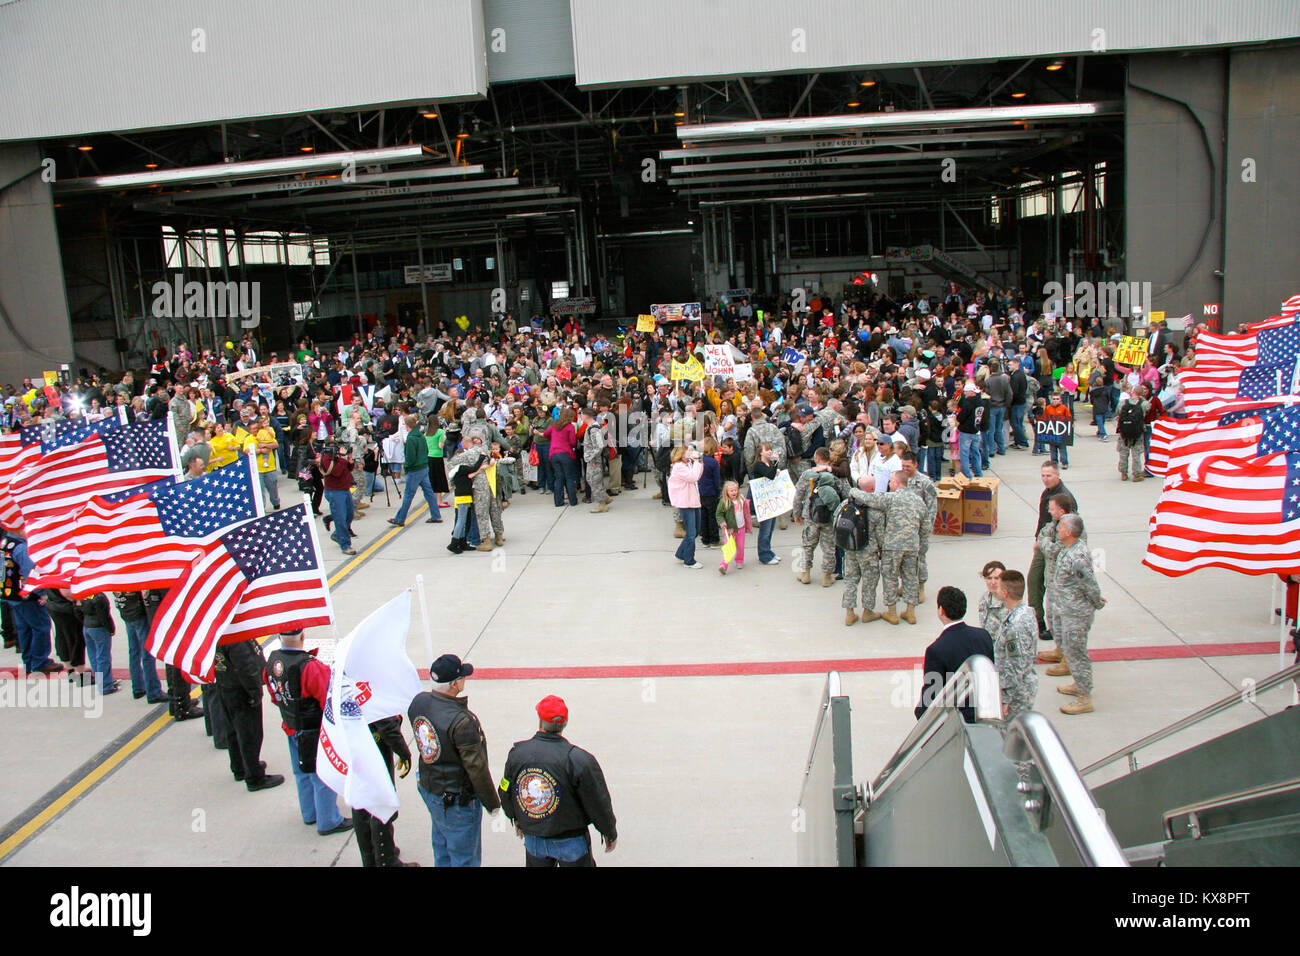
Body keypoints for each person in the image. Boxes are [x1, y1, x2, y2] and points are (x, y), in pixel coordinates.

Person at [500, 695, 618, 867]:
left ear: (540, 721)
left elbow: (505, 789)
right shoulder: (579, 760)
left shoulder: (517, 755)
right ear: (565, 723)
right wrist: (608, 831)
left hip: (535, 837)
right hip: (571, 841)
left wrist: (515, 817)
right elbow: (598, 801)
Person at [408, 654, 501, 867]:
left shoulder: (419, 702)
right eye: (462, 677)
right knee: (464, 858)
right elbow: (476, 768)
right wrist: (492, 804)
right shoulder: (462, 721)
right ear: (454, 684)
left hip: (430, 788)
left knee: (442, 847)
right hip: (456, 800)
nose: (464, 680)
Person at [264, 628, 351, 835]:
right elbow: (327, 699)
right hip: (313, 729)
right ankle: (328, 819)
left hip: (291, 724)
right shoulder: (310, 667)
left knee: (301, 771)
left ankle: (310, 812)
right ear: (303, 637)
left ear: (279, 638)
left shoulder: (272, 662)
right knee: (321, 774)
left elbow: (273, 693)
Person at [849, 470, 926, 625]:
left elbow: (868, 498)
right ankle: (910, 612)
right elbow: (926, 525)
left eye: (891, 481)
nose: (889, 484)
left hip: (892, 545)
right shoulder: (919, 501)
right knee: (910, 577)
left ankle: (892, 613)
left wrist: (852, 490)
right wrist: (919, 540)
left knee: (890, 577)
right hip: (912, 545)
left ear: (897, 483)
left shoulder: (890, 498)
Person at [1052, 514, 1106, 715]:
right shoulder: (1069, 550)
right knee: (1070, 649)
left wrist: (1097, 602)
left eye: (1061, 527)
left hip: (1077, 613)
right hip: (1068, 610)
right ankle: (1078, 683)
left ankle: (1085, 697)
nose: (1058, 529)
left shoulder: (1077, 555)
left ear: (1070, 532)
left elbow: (1089, 584)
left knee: (1077, 652)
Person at [214, 636, 284, 791]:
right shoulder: (236, 637)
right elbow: (245, 666)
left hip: (225, 684)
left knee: (232, 729)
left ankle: (239, 767)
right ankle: (255, 776)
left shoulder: (219, 632)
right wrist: (255, 692)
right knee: (250, 734)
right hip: (241, 691)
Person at [914, 586, 995, 722]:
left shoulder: (936, 649)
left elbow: (932, 693)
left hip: (958, 720)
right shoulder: (983, 635)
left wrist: (920, 712)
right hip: (986, 711)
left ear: (941, 610)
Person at [357, 716, 417, 866]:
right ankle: (386, 860)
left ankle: (371, 856)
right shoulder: (373, 692)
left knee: (361, 802)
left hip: (356, 739)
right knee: (381, 803)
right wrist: (403, 750)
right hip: (373, 745)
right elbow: (384, 720)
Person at [1028, 461, 1074, 651]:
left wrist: (1043, 542)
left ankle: (1055, 633)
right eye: (1043, 475)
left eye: (1049, 475)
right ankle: (1038, 620)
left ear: (1058, 476)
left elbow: (1067, 529)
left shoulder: (1064, 498)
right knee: (1034, 579)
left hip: (1053, 548)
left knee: (1048, 586)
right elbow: (1043, 520)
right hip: (1044, 542)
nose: (1045, 479)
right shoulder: (1047, 493)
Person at [1, 530, 60, 676]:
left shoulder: (5, 543)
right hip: (27, 595)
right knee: (40, 626)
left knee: (24, 628)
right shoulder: (21, 548)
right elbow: (30, 573)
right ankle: (40, 662)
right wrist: (42, 593)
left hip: (11, 593)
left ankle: (28, 661)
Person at [793, 447, 848, 588]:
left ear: (817, 458)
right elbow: (847, 495)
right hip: (830, 517)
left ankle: (805, 573)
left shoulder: (808, 474)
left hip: (811, 515)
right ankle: (827, 576)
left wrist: (797, 514)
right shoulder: (835, 475)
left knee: (808, 545)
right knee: (829, 547)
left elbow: (798, 495)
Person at [992, 570, 1038, 723]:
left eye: (998, 587)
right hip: (1020, 687)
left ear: (1005, 593)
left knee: (1011, 735)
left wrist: (1006, 699)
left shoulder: (1016, 627)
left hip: (1017, 694)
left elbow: (1015, 666)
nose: (994, 589)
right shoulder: (1024, 612)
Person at [388, 414, 441, 528]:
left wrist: (407, 467)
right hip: (423, 467)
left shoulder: (411, 439)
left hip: (415, 469)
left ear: (407, 426)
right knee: (429, 493)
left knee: (408, 495)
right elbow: (426, 450)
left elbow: (410, 457)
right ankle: (436, 515)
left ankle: (400, 518)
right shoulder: (421, 436)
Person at [114, 591, 166, 703]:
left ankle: (138, 687)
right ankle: (153, 692)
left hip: (127, 613)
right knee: (147, 653)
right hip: (138, 613)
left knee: (134, 652)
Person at [900, 450, 937, 603]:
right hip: (903, 527)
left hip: (919, 528)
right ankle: (906, 584)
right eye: (903, 466)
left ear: (916, 464)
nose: (905, 469)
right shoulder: (900, 478)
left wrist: (928, 528)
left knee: (919, 558)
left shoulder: (925, 482)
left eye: (908, 466)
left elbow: (932, 506)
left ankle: (920, 587)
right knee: (903, 559)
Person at [668, 445, 704, 569]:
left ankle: (680, 553)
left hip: (693, 500)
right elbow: (693, 477)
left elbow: (697, 475)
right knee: (691, 532)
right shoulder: (678, 467)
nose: (690, 453)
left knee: (696, 530)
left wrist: (697, 462)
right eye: (687, 451)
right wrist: (697, 463)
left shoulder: (688, 464)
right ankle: (689, 560)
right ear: (681, 454)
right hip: (685, 502)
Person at [747, 441, 782, 566]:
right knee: (765, 529)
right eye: (767, 450)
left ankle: (768, 551)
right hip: (763, 502)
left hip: (770, 499)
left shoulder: (769, 463)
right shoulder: (759, 465)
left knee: (771, 528)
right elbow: (770, 475)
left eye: (770, 449)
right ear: (760, 452)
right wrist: (776, 464)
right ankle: (764, 554)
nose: (770, 452)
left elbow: (772, 474)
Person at [79, 591, 119, 694]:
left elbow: (77, 609)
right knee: (103, 657)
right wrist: (111, 628)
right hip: (98, 628)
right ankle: (105, 685)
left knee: (93, 656)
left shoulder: (82, 593)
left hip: (87, 626)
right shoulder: (99, 597)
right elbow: (104, 616)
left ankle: (101, 681)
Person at [1115, 384, 1150, 482]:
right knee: (1136, 454)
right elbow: (1148, 410)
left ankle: (1123, 473)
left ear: (1132, 392)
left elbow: (1117, 412)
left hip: (1124, 431)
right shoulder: (1144, 403)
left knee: (1123, 453)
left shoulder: (1123, 403)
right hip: (1137, 432)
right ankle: (1136, 474)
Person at [715, 479, 750, 574]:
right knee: (729, 547)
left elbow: (746, 509)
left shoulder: (741, 499)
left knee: (740, 546)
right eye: (731, 491)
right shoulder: (724, 502)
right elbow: (719, 514)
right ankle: (723, 565)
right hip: (729, 529)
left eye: (735, 490)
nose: (734, 492)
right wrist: (722, 523)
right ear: (726, 492)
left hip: (741, 527)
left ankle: (739, 560)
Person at [581, 406, 610, 514]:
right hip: (593, 459)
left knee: (594, 481)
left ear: (585, 415)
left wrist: (591, 457)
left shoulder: (593, 428)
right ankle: (605, 498)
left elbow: (599, 446)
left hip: (594, 460)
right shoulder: (592, 426)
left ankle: (602, 504)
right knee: (592, 479)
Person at [977, 561, 1008, 635]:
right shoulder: (984, 599)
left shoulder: (1011, 601)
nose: (993, 582)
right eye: (989, 578)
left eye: (997, 578)